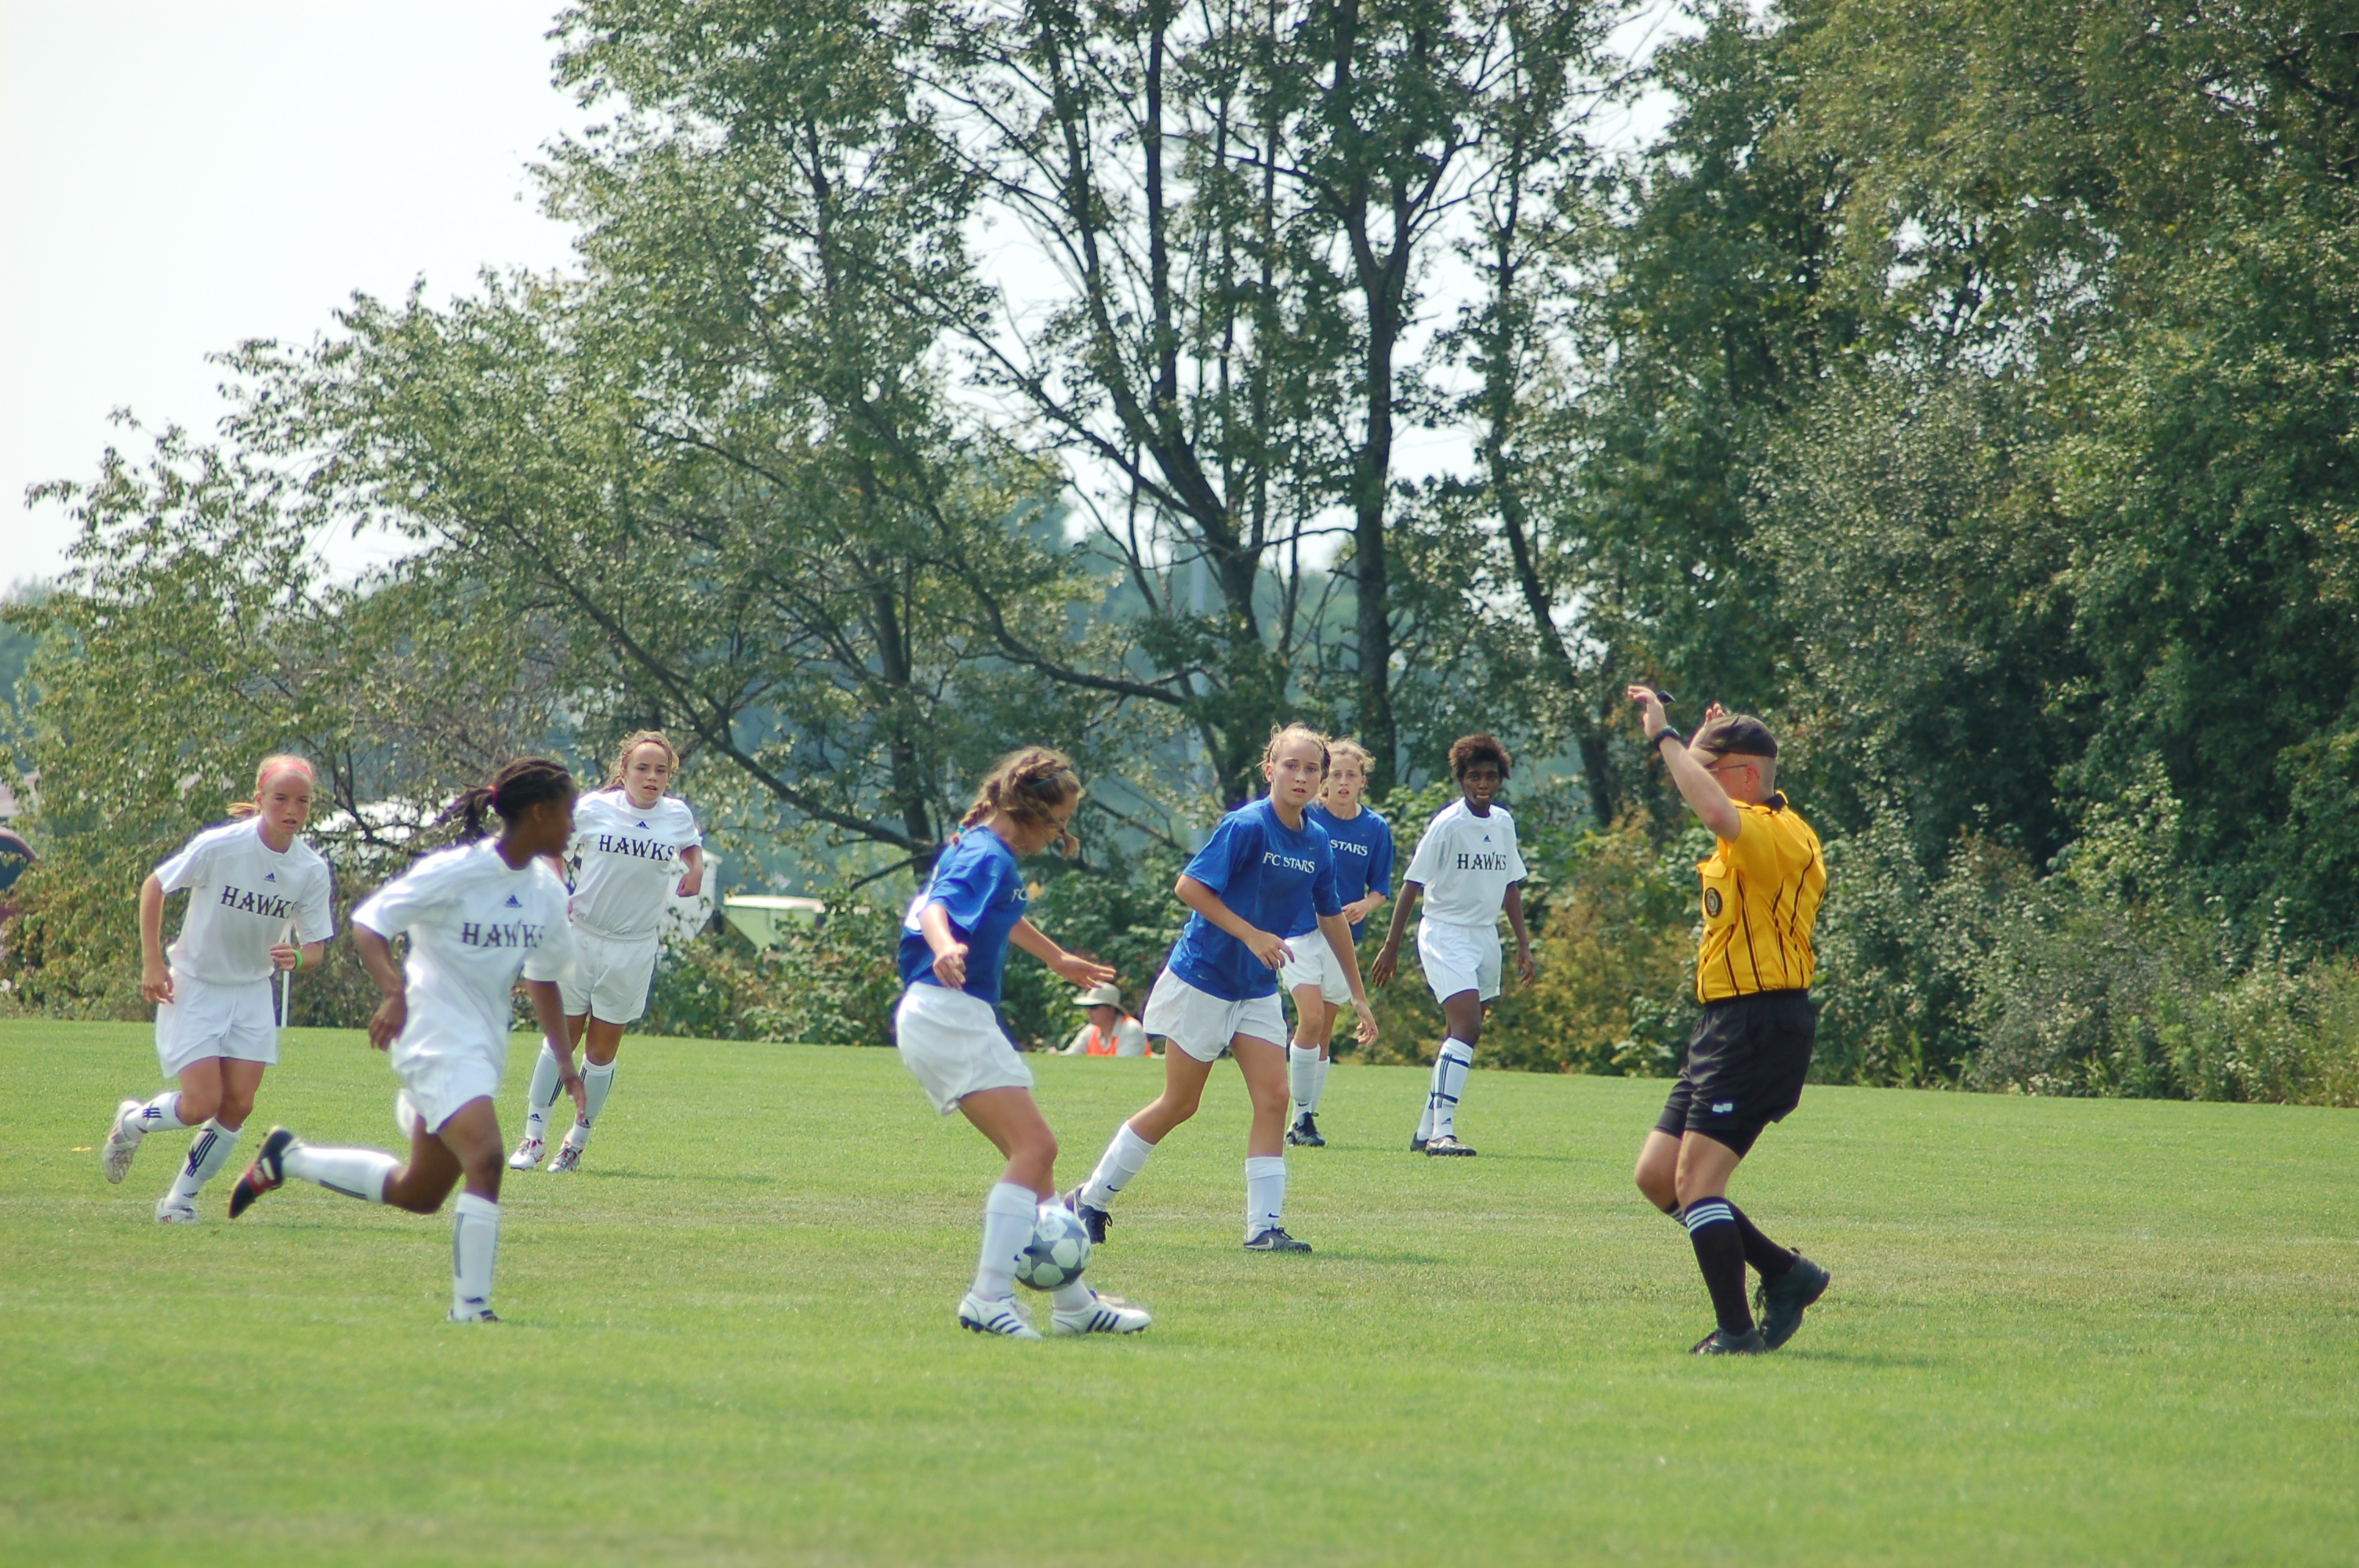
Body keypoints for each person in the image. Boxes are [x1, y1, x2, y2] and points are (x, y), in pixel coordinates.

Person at [226, 759, 583, 1324]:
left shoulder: (545, 890)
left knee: (420, 1193)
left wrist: (564, 1062)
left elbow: (543, 976)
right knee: (488, 1158)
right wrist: (395, 992)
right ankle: (471, 1309)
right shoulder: (458, 872)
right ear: (539, 813)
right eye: (567, 813)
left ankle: (290, 1159)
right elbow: (371, 923)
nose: (572, 825)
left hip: (481, 1050)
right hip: (432, 1039)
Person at [1068, 724, 1379, 1254]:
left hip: (1255, 987)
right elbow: (1188, 886)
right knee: (1180, 1103)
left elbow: (1331, 916)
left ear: (1323, 781)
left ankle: (1263, 1228)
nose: (1301, 776)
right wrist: (1252, 934)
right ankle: (1090, 1198)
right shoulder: (1246, 825)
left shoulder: (1317, 841)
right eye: (1291, 765)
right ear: (1270, 769)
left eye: (1312, 769)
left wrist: (1358, 994)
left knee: (1275, 1097)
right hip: (1205, 978)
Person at [896, 746, 1153, 1339]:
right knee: (1036, 1148)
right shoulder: (988, 855)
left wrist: (1057, 957)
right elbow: (937, 909)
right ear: (1029, 812)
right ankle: (987, 1296)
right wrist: (945, 946)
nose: (1061, 834)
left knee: (1037, 1167)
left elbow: (1002, 916)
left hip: (948, 1015)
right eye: (1058, 822)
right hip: (947, 1014)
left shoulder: (983, 847)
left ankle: (1074, 1305)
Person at [1625, 691, 1832, 1356]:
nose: (1696, 783)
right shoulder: (1750, 827)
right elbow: (1716, 803)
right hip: (1725, 1024)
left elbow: (1715, 808)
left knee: (1698, 1184)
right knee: (1658, 1176)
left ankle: (1738, 1333)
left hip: (1760, 1023)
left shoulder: (1775, 830)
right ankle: (1786, 1272)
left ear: (1745, 776)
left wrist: (1667, 738)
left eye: (1707, 770)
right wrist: (1698, 744)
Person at [99, 756, 335, 1221]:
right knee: (200, 1104)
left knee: (238, 1105)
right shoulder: (221, 847)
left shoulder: (310, 869)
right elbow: (155, 886)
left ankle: (179, 1201)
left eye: (303, 801)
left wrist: (297, 957)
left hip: (252, 993)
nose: (292, 810)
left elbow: (316, 950)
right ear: (260, 798)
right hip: (196, 986)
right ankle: (131, 1124)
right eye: (281, 798)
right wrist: (152, 962)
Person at [508, 731, 704, 1174]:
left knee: (600, 1053)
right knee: (562, 1039)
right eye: (643, 768)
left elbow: (691, 846)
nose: (652, 777)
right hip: (582, 937)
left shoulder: (676, 815)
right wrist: (557, 887)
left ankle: (575, 1144)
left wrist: (695, 869)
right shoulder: (595, 808)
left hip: (633, 947)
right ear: (625, 770)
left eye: (661, 771)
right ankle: (533, 1137)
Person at [1371, 734, 1536, 1157]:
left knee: (1458, 1033)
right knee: (1468, 1028)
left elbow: (1510, 885)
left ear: (1500, 779)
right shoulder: (1448, 824)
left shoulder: (1503, 823)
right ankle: (1442, 1132)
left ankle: (1425, 1129)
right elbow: (1412, 884)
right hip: (1445, 933)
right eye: (1474, 776)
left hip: (1485, 936)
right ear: (1461, 779)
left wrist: (1523, 944)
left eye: (1491, 777)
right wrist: (1391, 946)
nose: (1483, 784)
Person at [1282, 737, 1392, 1146]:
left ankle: (1305, 1120)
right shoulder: (1307, 818)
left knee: (1324, 1032)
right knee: (1309, 1019)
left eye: (1351, 775)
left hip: (1341, 940)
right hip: (1298, 932)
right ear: (1325, 781)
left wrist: (1365, 905)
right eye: (1336, 775)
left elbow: (1381, 890)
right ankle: (1299, 1118)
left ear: (1363, 781)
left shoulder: (1375, 829)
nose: (1343, 782)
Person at [1060, 983, 1150, 1057]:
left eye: (1094, 1007)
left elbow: (1124, 1068)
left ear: (1111, 1009)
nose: (1088, 1011)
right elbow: (1069, 1058)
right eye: (1087, 1007)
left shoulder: (1131, 1030)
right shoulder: (1090, 1031)